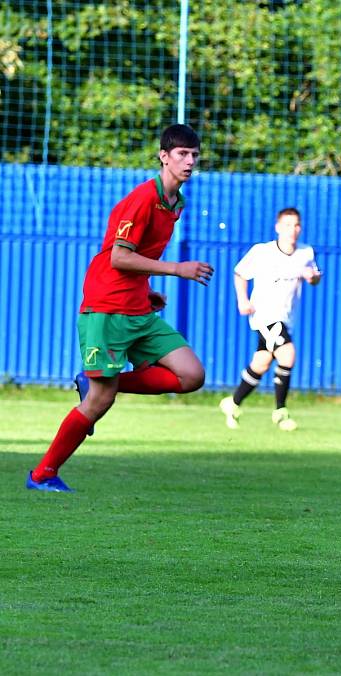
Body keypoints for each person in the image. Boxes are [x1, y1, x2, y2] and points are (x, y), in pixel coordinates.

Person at [26, 124, 214, 493]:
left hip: (136, 307)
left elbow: (137, 260)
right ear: (163, 156)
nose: (189, 161)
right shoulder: (144, 199)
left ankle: (94, 381)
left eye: (194, 155)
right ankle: (42, 474)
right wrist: (176, 269)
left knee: (191, 375)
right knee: (101, 400)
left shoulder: (175, 202)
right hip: (107, 307)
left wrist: (147, 292)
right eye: (181, 154)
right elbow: (119, 257)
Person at [218, 208, 321, 432]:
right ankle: (281, 412)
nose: (292, 230)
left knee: (262, 362)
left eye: (296, 225)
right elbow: (240, 274)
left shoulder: (306, 253)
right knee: (288, 354)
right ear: (277, 228)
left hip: (286, 316)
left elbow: (314, 278)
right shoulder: (262, 252)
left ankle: (232, 403)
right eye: (287, 225)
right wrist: (242, 300)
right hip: (265, 315)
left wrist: (313, 277)